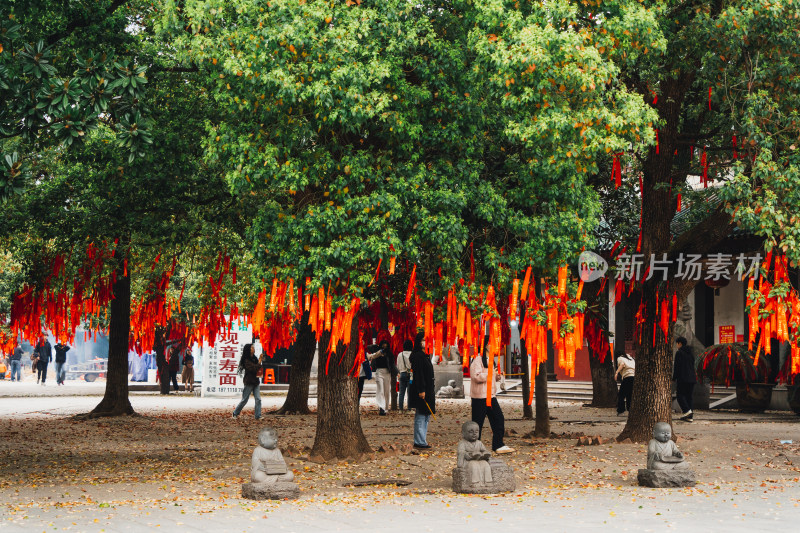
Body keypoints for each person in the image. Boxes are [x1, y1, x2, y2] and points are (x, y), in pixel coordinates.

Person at [470, 338, 515, 454]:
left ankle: (498, 445)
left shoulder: (491, 360)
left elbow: (491, 377)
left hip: (491, 396)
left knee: (498, 419)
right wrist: (491, 373)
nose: (495, 346)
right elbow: (476, 376)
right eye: (492, 343)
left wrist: (498, 376)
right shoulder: (478, 360)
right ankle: (474, 448)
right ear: (486, 346)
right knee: (477, 423)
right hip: (479, 397)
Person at [408, 332, 435, 449]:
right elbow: (419, 375)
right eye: (423, 340)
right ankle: (419, 441)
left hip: (428, 389)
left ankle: (422, 439)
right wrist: (421, 390)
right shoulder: (418, 356)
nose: (425, 343)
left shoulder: (425, 355)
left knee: (426, 415)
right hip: (422, 389)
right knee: (421, 415)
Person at [233, 343, 262, 420]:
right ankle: (235, 413)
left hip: (256, 382)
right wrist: (259, 362)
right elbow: (254, 368)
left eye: (253, 347)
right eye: (252, 347)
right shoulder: (246, 360)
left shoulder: (255, 358)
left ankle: (258, 416)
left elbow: (258, 368)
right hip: (249, 382)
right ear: (248, 350)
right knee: (244, 400)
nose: (253, 349)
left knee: (258, 399)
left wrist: (259, 362)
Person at [367, 339, 394, 415]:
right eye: (383, 345)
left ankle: (385, 407)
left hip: (387, 373)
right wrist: (378, 349)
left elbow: (392, 364)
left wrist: (396, 372)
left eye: (386, 345)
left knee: (386, 391)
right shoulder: (377, 352)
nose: (384, 347)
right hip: (379, 372)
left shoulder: (389, 353)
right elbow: (369, 347)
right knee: (380, 390)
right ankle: (381, 407)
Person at [673, 337, 697, 422]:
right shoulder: (691, 354)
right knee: (689, 397)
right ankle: (690, 417)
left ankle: (687, 411)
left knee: (680, 396)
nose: (676, 345)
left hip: (683, 378)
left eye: (677, 343)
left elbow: (677, 367)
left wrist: (674, 378)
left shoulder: (679, 353)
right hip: (692, 379)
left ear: (680, 343)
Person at [615, 350, 635, 415]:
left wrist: (616, 372)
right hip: (633, 377)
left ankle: (621, 410)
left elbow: (622, 364)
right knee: (629, 395)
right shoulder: (631, 359)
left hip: (627, 377)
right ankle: (630, 410)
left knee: (621, 394)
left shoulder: (620, 358)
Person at [396, 339, 413, 411]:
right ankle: (409, 409)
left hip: (402, 374)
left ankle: (400, 409)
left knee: (401, 393)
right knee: (410, 393)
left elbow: (398, 366)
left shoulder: (400, 354)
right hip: (410, 375)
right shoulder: (412, 354)